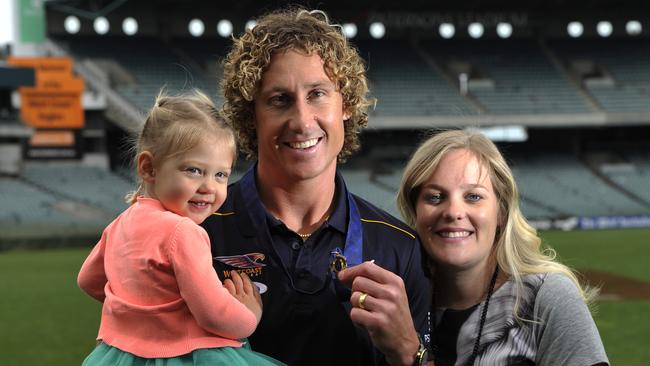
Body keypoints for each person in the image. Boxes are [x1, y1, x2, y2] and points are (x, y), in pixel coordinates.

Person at [201, 7, 430, 366]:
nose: (302, 121)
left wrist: (408, 352)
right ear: (250, 116)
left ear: (347, 105)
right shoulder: (198, 232)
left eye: (318, 94)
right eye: (280, 100)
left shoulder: (399, 248)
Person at [340, 129, 609, 365]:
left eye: (473, 197)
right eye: (435, 197)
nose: (454, 211)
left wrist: (410, 354)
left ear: (501, 211)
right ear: (415, 212)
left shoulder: (545, 299)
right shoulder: (397, 302)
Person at [77, 90, 284, 366]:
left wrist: (140, 315)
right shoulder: (183, 231)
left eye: (220, 174)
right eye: (194, 170)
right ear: (149, 168)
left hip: (121, 355)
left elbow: (89, 280)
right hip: (190, 356)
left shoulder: (120, 224)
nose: (209, 187)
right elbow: (213, 314)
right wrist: (250, 315)